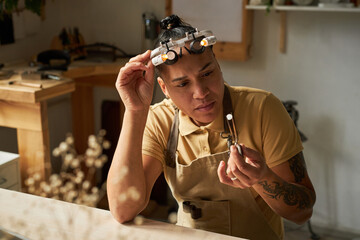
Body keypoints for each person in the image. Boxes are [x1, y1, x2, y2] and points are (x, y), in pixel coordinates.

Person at [107, 15, 316, 240]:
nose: (201, 92)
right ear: (164, 88)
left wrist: (262, 178)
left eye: (207, 74)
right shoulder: (160, 120)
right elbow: (123, 210)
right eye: (183, 84)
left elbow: (302, 212)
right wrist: (135, 111)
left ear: (218, 66)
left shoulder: (263, 109)